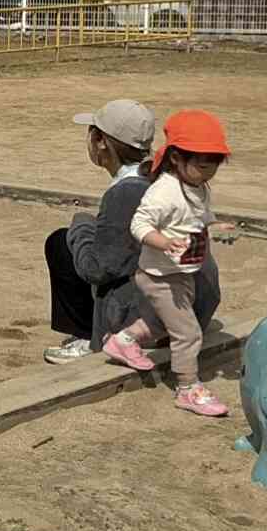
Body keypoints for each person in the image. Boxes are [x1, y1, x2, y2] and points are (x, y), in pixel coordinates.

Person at [43, 100, 221, 365]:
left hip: (161, 315)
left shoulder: (126, 192)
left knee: (61, 242)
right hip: (198, 305)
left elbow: (96, 269)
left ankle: (89, 337)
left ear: (100, 140)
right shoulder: (162, 175)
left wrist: (80, 224)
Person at [105, 111, 236, 418]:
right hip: (160, 276)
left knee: (162, 324)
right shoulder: (164, 191)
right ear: (176, 158)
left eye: (214, 164)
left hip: (181, 272)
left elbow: (199, 217)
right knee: (188, 333)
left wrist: (215, 225)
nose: (208, 171)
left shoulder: (198, 186)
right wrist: (162, 242)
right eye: (202, 163)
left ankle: (122, 341)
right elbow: (139, 224)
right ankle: (188, 388)